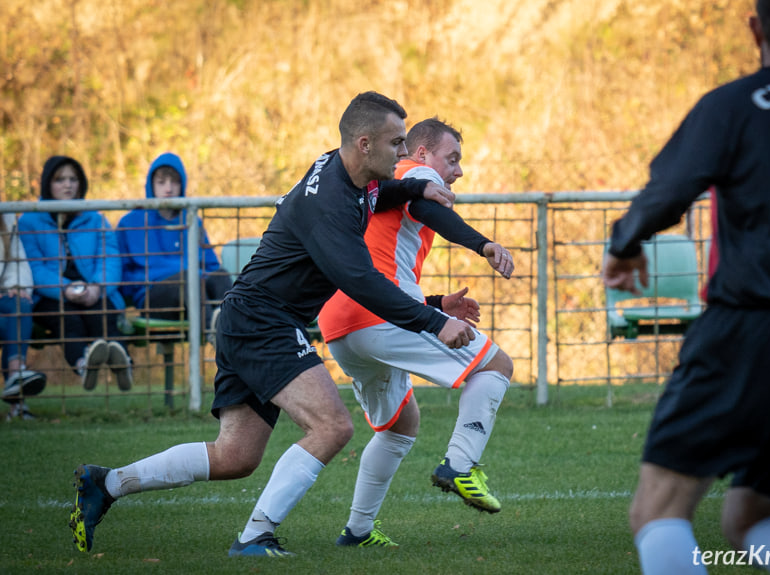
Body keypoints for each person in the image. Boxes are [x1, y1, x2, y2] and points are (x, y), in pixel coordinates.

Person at [69, 91, 475, 557]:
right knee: (332, 427)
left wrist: (415, 188)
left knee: (235, 456)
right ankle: (254, 537)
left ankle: (106, 484)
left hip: (249, 316)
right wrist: (433, 320)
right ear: (365, 144)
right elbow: (362, 282)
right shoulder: (329, 207)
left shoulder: (344, 169)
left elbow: (381, 191)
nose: (404, 154)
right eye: (397, 143)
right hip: (264, 320)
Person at [601, 2, 770, 574]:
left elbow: (671, 186)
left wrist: (624, 245)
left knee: (658, 511)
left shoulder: (736, 104)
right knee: (751, 518)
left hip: (747, 325)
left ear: (755, 28)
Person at [317, 117, 515, 547]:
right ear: (421, 153)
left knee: (399, 427)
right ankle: (460, 465)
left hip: (340, 323)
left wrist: (436, 304)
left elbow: (380, 264)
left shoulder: (377, 183)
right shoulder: (415, 173)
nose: (458, 170)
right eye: (453, 158)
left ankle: (357, 532)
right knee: (496, 365)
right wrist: (484, 245)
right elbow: (428, 209)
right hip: (382, 316)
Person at [19, 156, 133, 392]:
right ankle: (84, 366)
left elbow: (110, 260)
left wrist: (97, 287)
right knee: (68, 319)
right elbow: (34, 268)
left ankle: (124, 363)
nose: (68, 185)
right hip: (50, 297)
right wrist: (64, 289)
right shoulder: (29, 220)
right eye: (60, 179)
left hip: (93, 291)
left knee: (102, 314)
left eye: (73, 179)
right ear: (47, 183)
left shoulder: (96, 218)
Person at [116, 153, 232, 344]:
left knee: (221, 275)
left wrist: (199, 274)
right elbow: (123, 275)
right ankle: (218, 337)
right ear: (151, 184)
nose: (168, 188)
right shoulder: (130, 223)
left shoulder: (192, 219)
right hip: (152, 296)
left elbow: (211, 264)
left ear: (182, 185)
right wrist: (162, 275)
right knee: (187, 278)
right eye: (162, 182)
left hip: (195, 292)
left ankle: (231, 332)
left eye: (174, 182)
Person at [0, 212, 47, 420]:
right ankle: (17, 398)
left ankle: (16, 375)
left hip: (3, 297)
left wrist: (16, 287)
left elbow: (17, 260)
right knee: (8, 322)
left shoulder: (6, 216)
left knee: (20, 303)